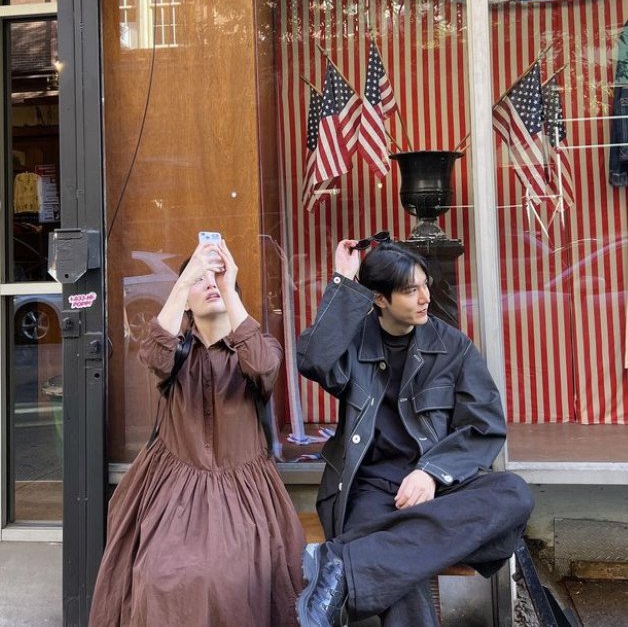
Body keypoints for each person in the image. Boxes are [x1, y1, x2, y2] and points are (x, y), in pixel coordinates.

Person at [296, 239, 534, 627]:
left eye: (425, 284)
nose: (426, 297)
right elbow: (312, 360)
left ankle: (341, 563)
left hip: (439, 489)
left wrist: (431, 473)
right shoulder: (354, 342)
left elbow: (485, 427)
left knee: (514, 494)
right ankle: (352, 562)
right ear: (379, 299)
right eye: (411, 290)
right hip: (368, 488)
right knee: (402, 575)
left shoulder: (451, 346)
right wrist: (342, 282)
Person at [89, 238, 304, 627]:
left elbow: (263, 366)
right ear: (185, 300)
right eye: (199, 282)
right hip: (173, 488)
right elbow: (153, 353)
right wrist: (183, 279)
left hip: (244, 491)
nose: (211, 284)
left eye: (219, 280)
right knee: (157, 576)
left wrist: (229, 283)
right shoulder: (177, 352)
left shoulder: (256, 347)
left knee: (230, 580)